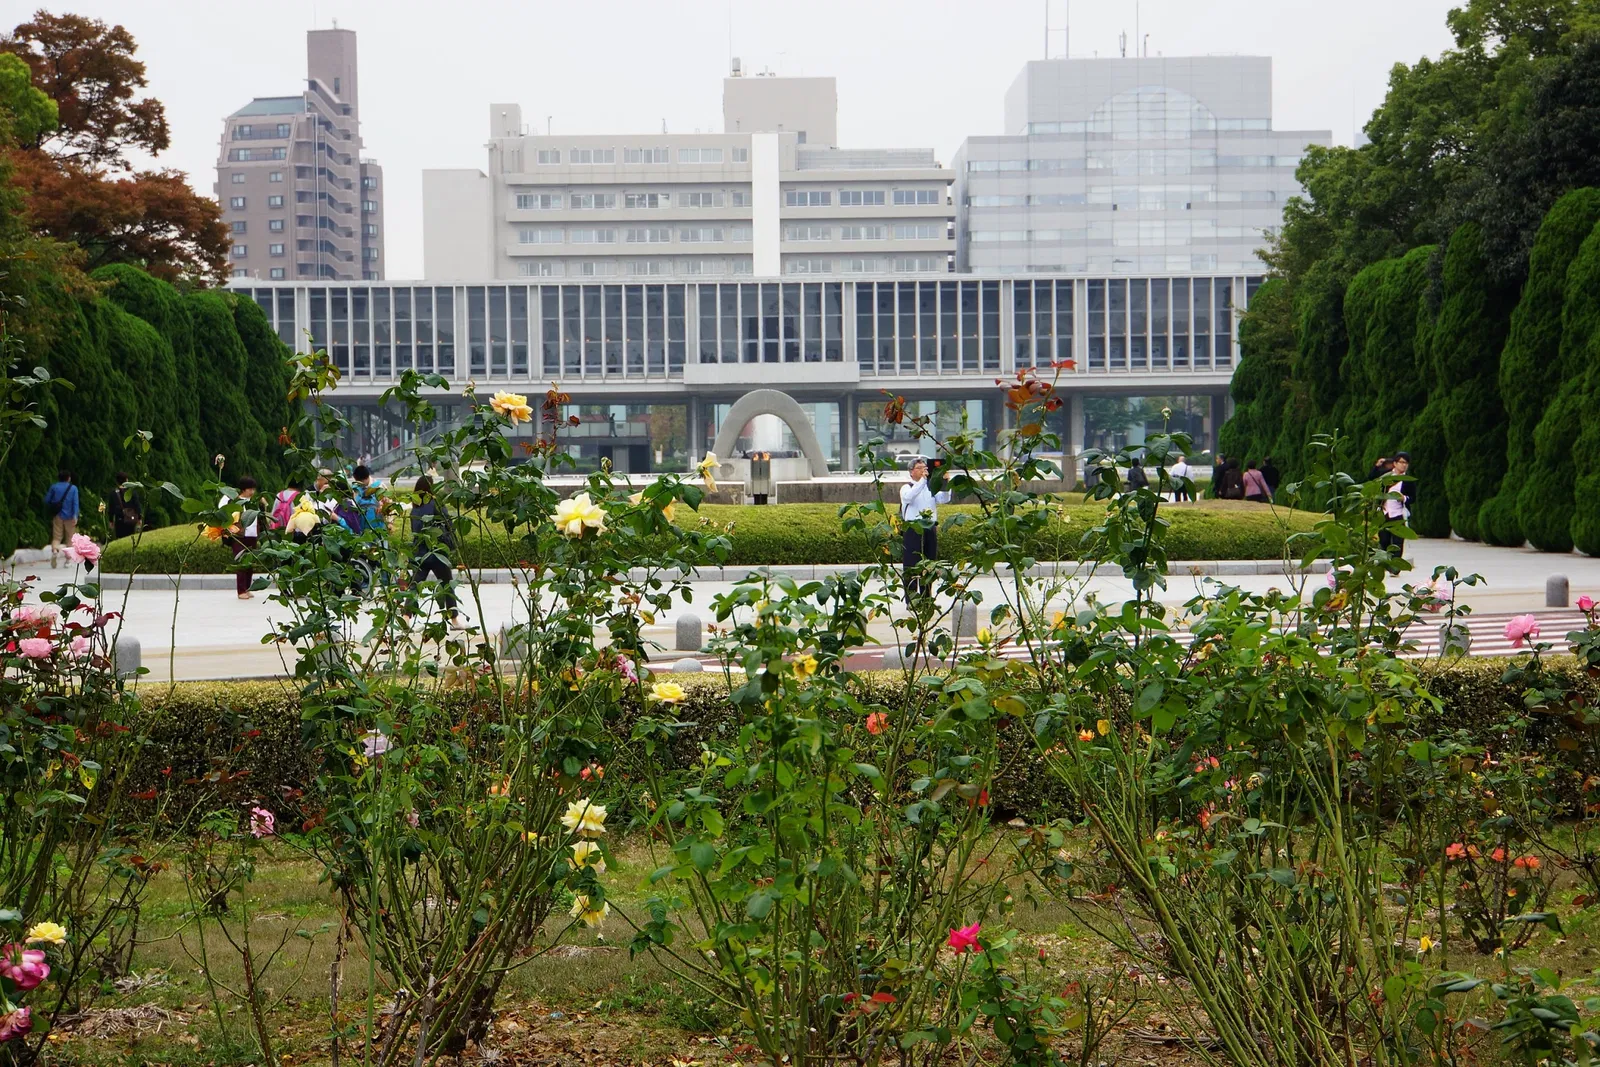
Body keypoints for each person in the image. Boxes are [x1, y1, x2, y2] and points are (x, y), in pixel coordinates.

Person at [410, 475, 465, 629]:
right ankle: (454, 620)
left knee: (414, 586)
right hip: (437, 552)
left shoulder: (415, 507)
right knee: (448, 585)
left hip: (420, 552)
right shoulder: (437, 504)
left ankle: (406, 618)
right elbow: (448, 524)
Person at [900, 457, 952, 606]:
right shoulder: (907, 487)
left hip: (929, 528)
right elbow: (909, 498)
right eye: (920, 468)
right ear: (911, 472)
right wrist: (923, 480)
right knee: (911, 565)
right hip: (913, 530)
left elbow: (943, 499)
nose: (924, 470)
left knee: (929, 564)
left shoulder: (930, 487)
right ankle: (912, 600)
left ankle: (926, 598)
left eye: (925, 467)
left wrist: (946, 483)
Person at [224, 477, 261, 600]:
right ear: (244, 489)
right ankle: (241, 590)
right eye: (250, 489)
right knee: (241, 562)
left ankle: (248, 588)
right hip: (239, 536)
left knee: (250, 563)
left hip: (252, 535)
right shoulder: (235, 503)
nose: (252, 492)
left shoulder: (254, 502)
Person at [1379, 452, 1417, 556]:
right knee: (1384, 540)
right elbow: (1371, 478)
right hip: (1384, 513)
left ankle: (1395, 566)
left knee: (1398, 542)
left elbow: (1413, 498)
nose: (1404, 465)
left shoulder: (1408, 481)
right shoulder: (1386, 476)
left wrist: (1403, 498)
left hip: (1398, 514)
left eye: (1406, 463)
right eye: (1402, 462)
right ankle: (1386, 561)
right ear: (1395, 463)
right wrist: (1377, 466)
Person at [43, 470, 80, 569]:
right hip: (70, 517)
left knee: (56, 537)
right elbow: (75, 503)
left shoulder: (54, 487)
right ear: (68, 478)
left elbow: (46, 500)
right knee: (70, 539)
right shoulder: (73, 488)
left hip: (58, 515)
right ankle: (67, 561)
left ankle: (55, 551)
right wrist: (75, 515)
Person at [108, 472, 142, 540]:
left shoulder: (113, 493)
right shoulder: (131, 492)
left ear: (117, 481)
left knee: (119, 539)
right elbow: (137, 505)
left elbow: (111, 508)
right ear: (126, 480)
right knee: (130, 538)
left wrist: (111, 520)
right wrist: (139, 518)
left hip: (119, 520)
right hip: (130, 519)